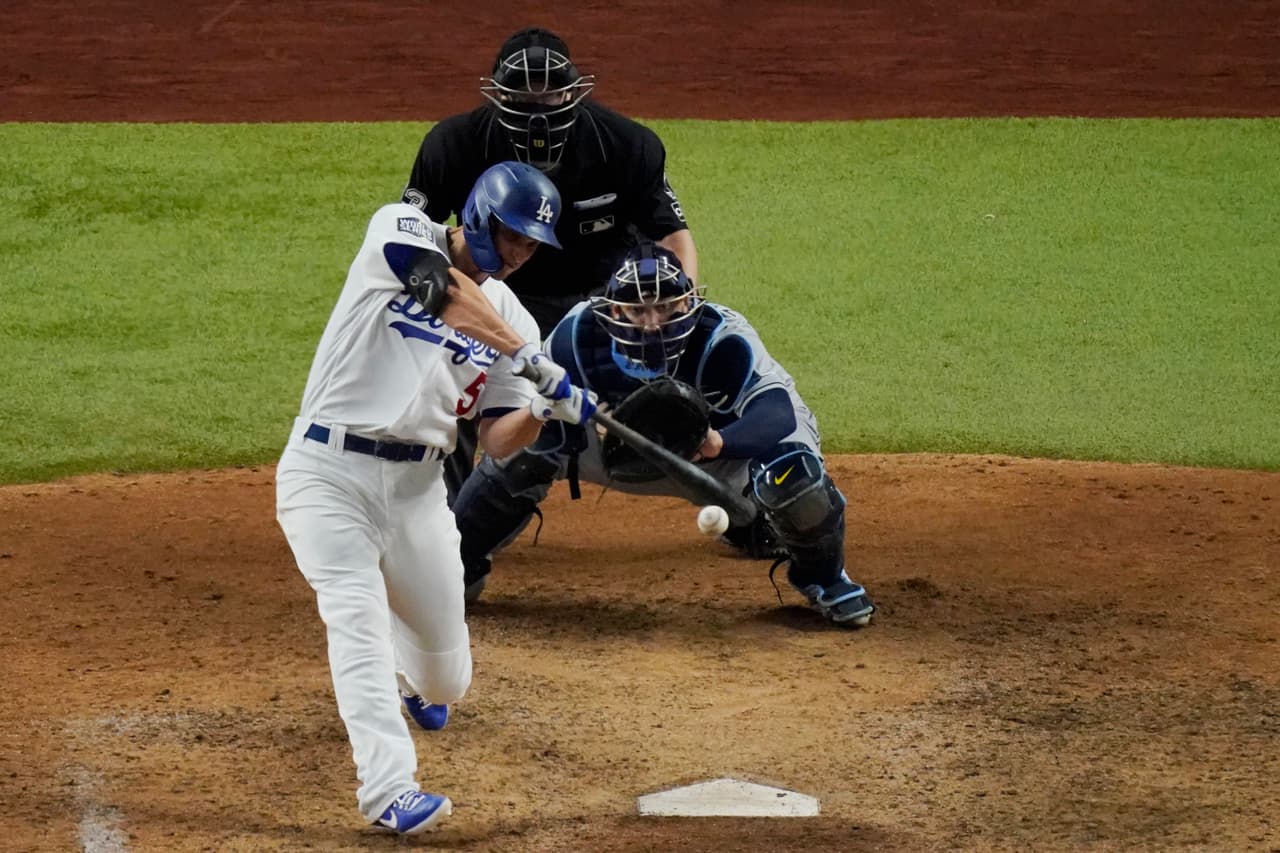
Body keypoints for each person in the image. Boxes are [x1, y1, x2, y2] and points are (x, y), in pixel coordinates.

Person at [275, 161, 595, 835]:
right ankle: (389, 789)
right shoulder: (399, 228)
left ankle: (417, 680)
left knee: (447, 682)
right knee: (355, 621)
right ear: (478, 214)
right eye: (511, 234)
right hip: (326, 474)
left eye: (531, 245)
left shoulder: (514, 319)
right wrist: (532, 359)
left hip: (419, 492)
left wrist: (540, 406)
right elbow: (438, 288)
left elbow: (498, 440)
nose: (517, 254)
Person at [451, 243, 877, 628]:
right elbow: (538, 411)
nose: (652, 324)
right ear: (615, 310)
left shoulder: (722, 338)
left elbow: (777, 413)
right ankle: (458, 566)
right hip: (618, 449)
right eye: (638, 310)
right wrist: (576, 414)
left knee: (793, 475)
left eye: (667, 308)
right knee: (527, 447)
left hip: (714, 453)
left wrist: (719, 443)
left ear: (689, 302)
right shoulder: (577, 338)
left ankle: (821, 575)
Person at [403, 26, 700, 501]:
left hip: (602, 307)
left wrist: (670, 315)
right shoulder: (453, 144)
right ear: (498, 94)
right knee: (446, 371)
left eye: (550, 93)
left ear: (572, 91)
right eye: (522, 96)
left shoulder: (625, 144)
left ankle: (742, 501)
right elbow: (413, 233)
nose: (537, 107)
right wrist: (441, 311)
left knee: (684, 387)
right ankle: (449, 513)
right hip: (495, 302)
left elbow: (671, 234)